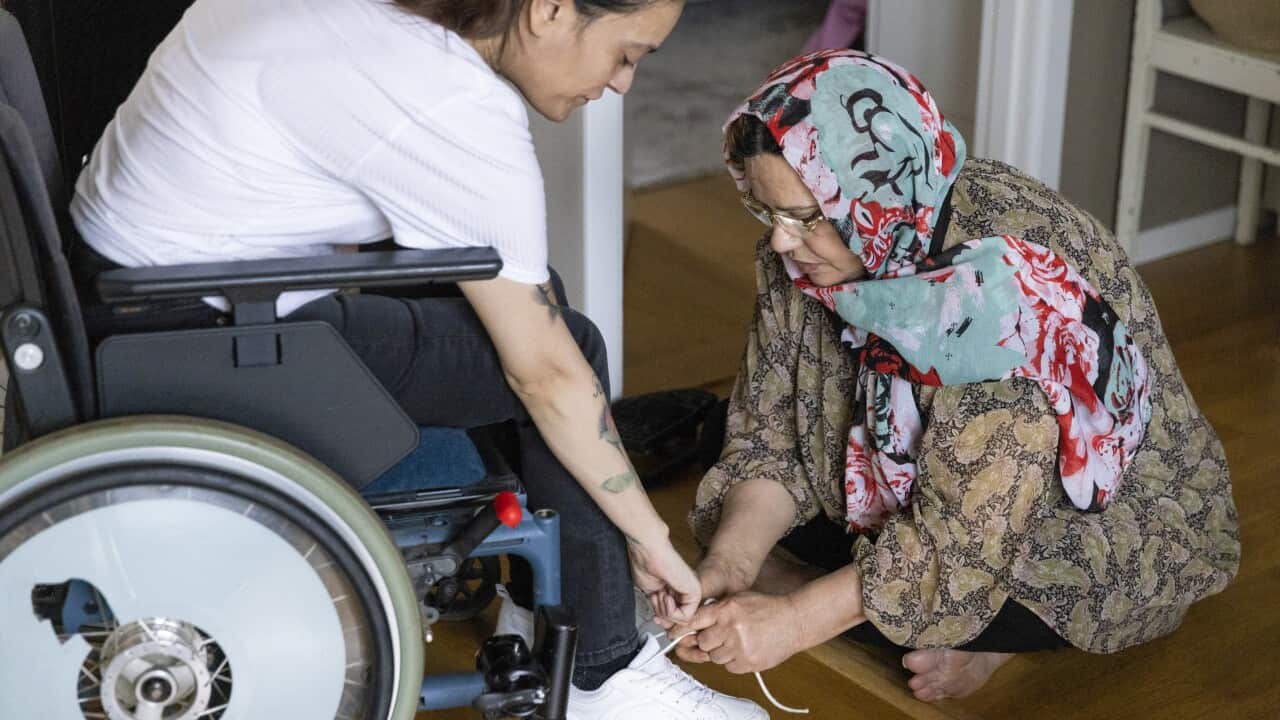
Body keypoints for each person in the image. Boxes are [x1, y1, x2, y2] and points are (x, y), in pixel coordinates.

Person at [68, 0, 765, 717]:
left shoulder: (385, 26)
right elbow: (546, 374)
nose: (622, 84)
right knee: (563, 353)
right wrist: (649, 538)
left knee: (531, 307)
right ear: (552, 11)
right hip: (196, 335)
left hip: (125, 290)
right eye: (627, 55)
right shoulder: (446, 98)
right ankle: (601, 672)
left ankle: (546, 611)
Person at [672, 49, 1241, 704]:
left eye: (804, 218)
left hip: (1068, 518)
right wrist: (732, 563)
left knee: (964, 589)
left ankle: (985, 638)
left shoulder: (990, 292)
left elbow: (966, 544)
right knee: (742, 522)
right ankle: (902, 610)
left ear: (867, 201)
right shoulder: (803, 250)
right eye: (764, 211)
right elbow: (772, 433)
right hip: (912, 486)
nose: (779, 242)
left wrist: (795, 619)